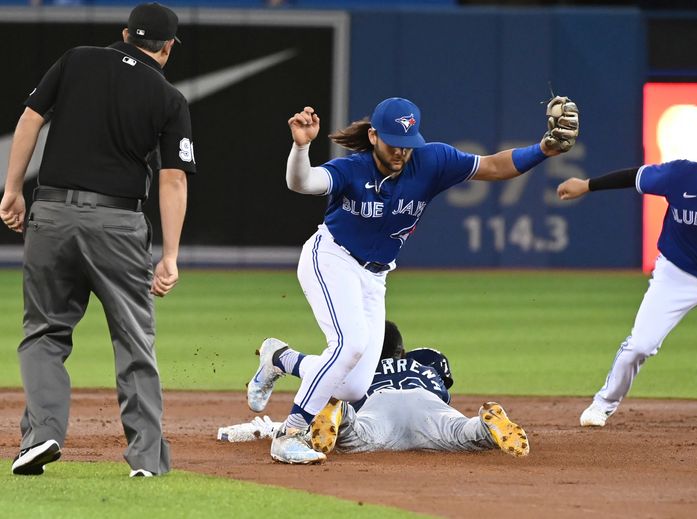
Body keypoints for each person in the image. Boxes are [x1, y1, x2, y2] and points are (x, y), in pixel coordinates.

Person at [247, 95, 578, 463]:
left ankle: (280, 357)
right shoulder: (352, 170)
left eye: (408, 144)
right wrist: (301, 146)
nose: (401, 152)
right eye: (393, 143)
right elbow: (302, 182)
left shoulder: (431, 161)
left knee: (355, 385)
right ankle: (290, 432)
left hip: (375, 275)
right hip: (332, 257)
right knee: (350, 343)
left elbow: (494, 166)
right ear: (373, 136)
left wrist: (544, 149)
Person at [1, 2, 195, 476]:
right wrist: (169, 255)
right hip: (117, 222)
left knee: (44, 333)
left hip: (51, 213)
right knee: (133, 338)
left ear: (126, 34)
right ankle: (145, 458)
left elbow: (29, 118)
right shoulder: (169, 97)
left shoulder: (76, 59)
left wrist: (11, 190)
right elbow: (173, 179)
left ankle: (41, 435)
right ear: (167, 47)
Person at [556, 126, 697, 427]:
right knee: (640, 345)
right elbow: (635, 177)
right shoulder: (680, 176)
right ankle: (603, 404)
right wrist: (587, 185)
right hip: (675, 273)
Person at [227, 321, 529, 457]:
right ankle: (484, 424)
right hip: (427, 403)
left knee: (357, 437)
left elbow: (324, 373)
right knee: (459, 432)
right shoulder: (427, 360)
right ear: (402, 350)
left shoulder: (358, 370)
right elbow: (445, 392)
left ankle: (339, 414)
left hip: (378, 407)